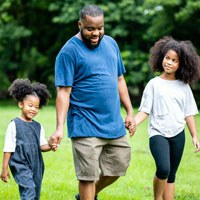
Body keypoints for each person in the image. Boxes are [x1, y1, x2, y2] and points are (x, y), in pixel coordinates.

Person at [48, 4, 136, 200]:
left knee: (118, 167)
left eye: (100, 28)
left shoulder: (112, 44)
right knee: (87, 176)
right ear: (80, 25)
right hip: (84, 122)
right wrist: (59, 127)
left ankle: (85, 196)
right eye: (90, 29)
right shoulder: (68, 52)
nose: (96, 33)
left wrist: (129, 111)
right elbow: (63, 91)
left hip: (113, 122)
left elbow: (119, 79)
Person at [134, 36, 200, 200]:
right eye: (167, 58)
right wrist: (133, 123)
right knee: (163, 169)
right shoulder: (154, 84)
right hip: (158, 133)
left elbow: (189, 113)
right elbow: (144, 111)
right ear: (161, 57)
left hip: (178, 134)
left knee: (171, 175)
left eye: (174, 60)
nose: (169, 62)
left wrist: (194, 136)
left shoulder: (184, 87)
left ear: (181, 64)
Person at [0, 78, 52, 200]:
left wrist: (50, 145)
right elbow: (8, 148)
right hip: (20, 164)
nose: (34, 109)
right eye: (30, 105)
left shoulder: (38, 126)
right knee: (28, 191)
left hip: (36, 165)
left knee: (35, 194)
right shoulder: (14, 124)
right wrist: (4, 168)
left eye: (37, 107)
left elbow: (42, 146)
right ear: (20, 104)